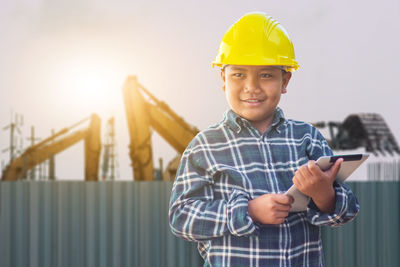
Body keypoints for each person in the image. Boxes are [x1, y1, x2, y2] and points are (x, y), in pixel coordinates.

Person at [169, 12, 359, 266]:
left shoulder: (307, 139)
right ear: (223, 79)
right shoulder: (204, 147)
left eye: (266, 75)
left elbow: (347, 212)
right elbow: (181, 219)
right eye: (239, 74)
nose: (252, 86)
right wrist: (247, 211)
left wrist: (325, 196)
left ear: (285, 80)